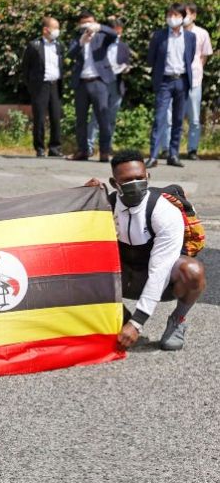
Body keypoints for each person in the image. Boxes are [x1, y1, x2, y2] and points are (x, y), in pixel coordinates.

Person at [84, 150, 206, 351]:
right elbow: (74, 238)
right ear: (115, 184)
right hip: (123, 278)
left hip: (163, 281)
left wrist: (137, 323)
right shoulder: (107, 205)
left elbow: (161, 270)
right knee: (81, 261)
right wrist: (86, 197)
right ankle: (120, 315)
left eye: (140, 178)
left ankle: (178, 320)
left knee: (193, 272)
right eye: (127, 180)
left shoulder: (165, 212)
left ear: (147, 177)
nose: (135, 184)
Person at [146, 3, 196, 168]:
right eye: (169, 14)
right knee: (159, 118)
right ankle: (153, 155)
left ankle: (173, 154)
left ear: (183, 17)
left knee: (178, 119)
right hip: (164, 81)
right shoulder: (159, 36)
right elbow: (151, 59)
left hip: (182, 80)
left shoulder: (190, 37)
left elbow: (191, 57)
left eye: (175, 15)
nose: (172, 18)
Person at [66, 10, 118, 162]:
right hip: (81, 83)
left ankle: (104, 151)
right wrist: (82, 42)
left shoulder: (101, 37)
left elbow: (114, 35)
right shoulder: (77, 38)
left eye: (89, 21)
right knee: (80, 119)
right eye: (84, 22)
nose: (87, 25)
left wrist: (99, 27)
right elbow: (70, 54)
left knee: (103, 118)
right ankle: (82, 150)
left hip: (98, 82)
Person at [86, 18, 132, 155]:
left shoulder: (123, 46)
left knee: (111, 117)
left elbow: (126, 61)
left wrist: (125, 68)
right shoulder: (100, 43)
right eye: (115, 31)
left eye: (120, 31)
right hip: (101, 82)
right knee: (96, 116)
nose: (118, 34)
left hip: (116, 83)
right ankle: (89, 145)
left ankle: (107, 145)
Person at [21, 16, 65, 157]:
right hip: (40, 86)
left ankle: (55, 147)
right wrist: (32, 86)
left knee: (56, 117)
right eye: (55, 28)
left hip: (55, 85)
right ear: (46, 29)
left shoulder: (59, 45)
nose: (57, 31)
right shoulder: (34, 46)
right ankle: (39, 147)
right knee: (39, 118)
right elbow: (26, 68)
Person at [182, 3, 213, 160]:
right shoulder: (175, 32)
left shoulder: (202, 33)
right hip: (178, 80)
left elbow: (204, 56)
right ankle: (166, 149)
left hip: (194, 79)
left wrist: (197, 69)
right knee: (171, 117)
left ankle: (192, 149)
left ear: (194, 15)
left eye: (187, 13)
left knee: (194, 118)